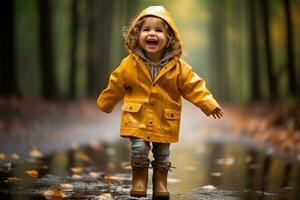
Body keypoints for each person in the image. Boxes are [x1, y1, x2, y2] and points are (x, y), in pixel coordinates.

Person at [97, 5, 224, 199]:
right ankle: (139, 180)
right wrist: (106, 102)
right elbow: (116, 83)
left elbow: (194, 85)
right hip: (137, 118)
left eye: (159, 30)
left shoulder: (179, 67)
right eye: (146, 29)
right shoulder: (129, 64)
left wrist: (208, 103)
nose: (152, 34)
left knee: (162, 154)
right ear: (137, 35)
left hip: (165, 120)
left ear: (169, 39)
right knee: (138, 149)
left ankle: (160, 184)